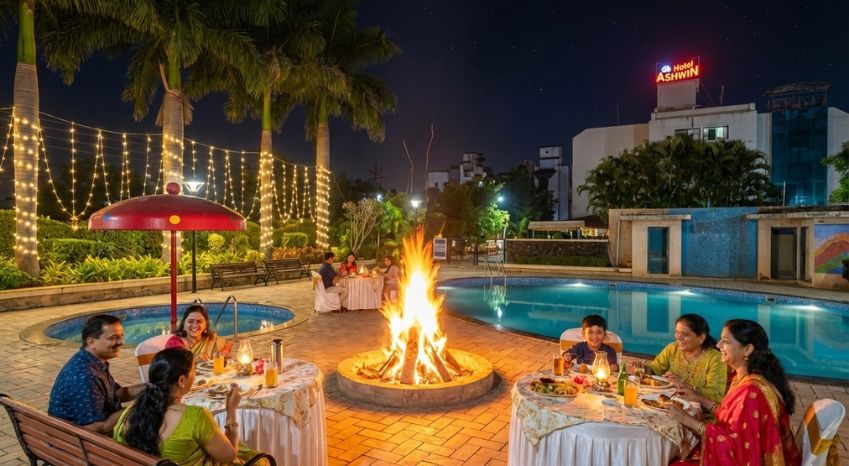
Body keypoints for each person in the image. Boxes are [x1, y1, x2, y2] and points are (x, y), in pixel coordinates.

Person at [668, 319, 801, 466]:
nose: (718, 345)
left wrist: (687, 419)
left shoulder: (752, 392)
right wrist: (698, 398)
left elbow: (735, 446)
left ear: (747, 349)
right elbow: (734, 419)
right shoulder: (743, 377)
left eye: (725, 341)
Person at [114, 348, 271, 465]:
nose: (194, 376)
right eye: (194, 371)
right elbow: (228, 457)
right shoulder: (195, 417)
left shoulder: (130, 413)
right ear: (182, 381)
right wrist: (231, 411)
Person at [48, 314, 145, 434]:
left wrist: (153, 388)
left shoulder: (91, 362)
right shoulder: (85, 376)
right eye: (113, 338)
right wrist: (135, 410)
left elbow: (115, 394)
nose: (121, 342)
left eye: (121, 336)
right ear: (91, 342)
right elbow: (94, 428)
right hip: (77, 442)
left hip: (75, 440)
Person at [648, 313, 726, 404]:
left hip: (698, 409)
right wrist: (642, 368)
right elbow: (655, 369)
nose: (678, 338)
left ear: (701, 338)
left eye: (685, 334)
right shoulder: (673, 349)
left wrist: (687, 386)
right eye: (677, 332)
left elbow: (716, 394)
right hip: (669, 402)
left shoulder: (715, 358)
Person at [168, 304, 233, 361]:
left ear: (205, 325)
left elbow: (228, 343)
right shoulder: (175, 342)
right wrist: (194, 361)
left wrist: (225, 351)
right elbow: (172, 365)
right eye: (190, 321)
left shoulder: (211, 339)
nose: (195, 325)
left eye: (199, 321)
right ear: (184, 323)